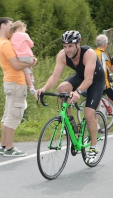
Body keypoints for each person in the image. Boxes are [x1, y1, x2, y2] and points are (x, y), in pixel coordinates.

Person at [35, 30, 105, 164]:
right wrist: (43, 88)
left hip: (95, 80)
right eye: (65, 46)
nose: (67, 50)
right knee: (61, 89)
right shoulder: (62, 56)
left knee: (89, 114)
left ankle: (93, 147)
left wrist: (78, 92)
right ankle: (71, 121)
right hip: (81, 76)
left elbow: (89, 79)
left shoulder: (89, 54)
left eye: (70, 46)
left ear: (79, 43)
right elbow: (55, 77)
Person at [0, 17, 36, 157]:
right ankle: (9, 148)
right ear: (3, 26)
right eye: (10, 25)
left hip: (9, 82)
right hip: (16, 83)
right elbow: (17, 65)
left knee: (7, 115)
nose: (13, 28)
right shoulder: (6, 44)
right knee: (14, 116)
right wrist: (31, 63)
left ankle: (3, 145)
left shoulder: (0, 42)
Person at [9, 20, 36, 94]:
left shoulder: (11, 37)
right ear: (21, 27)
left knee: (26, 71)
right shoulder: (24, 35)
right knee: (30, 65)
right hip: (28, 55)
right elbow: (31, 44)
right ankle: (32, 77)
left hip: (19, 57)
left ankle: (31, 86)